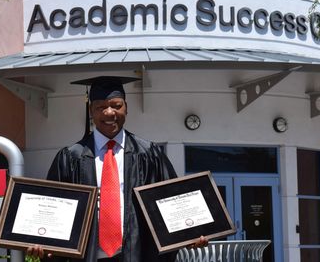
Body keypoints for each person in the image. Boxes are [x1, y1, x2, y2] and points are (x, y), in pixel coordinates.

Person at [27, 76, 207, 262]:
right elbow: (52, 207)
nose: (109, 112)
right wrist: (40, 240)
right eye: (100, 107)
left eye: (116, 105)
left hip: (137, 255)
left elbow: (172, 199)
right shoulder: (71, 157)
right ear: (91, 111)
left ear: (126, 108)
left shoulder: (148, 154)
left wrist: (190, 232)